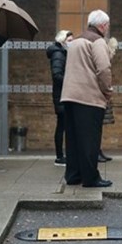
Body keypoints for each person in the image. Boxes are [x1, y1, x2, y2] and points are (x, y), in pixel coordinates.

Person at [61, 9, 113, 188]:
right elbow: (104, 69)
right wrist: (107, 91)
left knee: (73, 139)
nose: (107, 29)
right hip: (89, 97)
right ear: (103, 25)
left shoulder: (76, 41)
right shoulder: (97, 41)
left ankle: (73, 175)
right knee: (90, 140)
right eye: (107, 25)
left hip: (69, 96)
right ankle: (91, 178)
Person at [46, 29, 72, 165]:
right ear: (62, 41)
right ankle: (60, 156)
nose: (71, 44)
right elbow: (57, 75)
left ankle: (61, 155)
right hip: (62, 95)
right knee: (62, 126)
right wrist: (70, 81)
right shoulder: (58, 54)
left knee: (62, 125)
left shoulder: (62, 53)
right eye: (69, 41)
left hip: (62, 94)